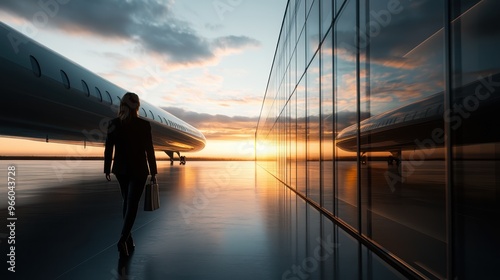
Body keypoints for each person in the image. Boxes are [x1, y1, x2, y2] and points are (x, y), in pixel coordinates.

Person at [104, 92, 157, 257]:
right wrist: (153, 171)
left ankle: (128, 239)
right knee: (132, 204)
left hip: (120, 169)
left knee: (127, 201)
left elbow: (108, 148)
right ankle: (122, 239)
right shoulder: (144, 125)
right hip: (139, 169)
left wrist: (107, 168)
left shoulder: (113, 123)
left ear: (122, 105)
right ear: (137, 106)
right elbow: (149, 150)